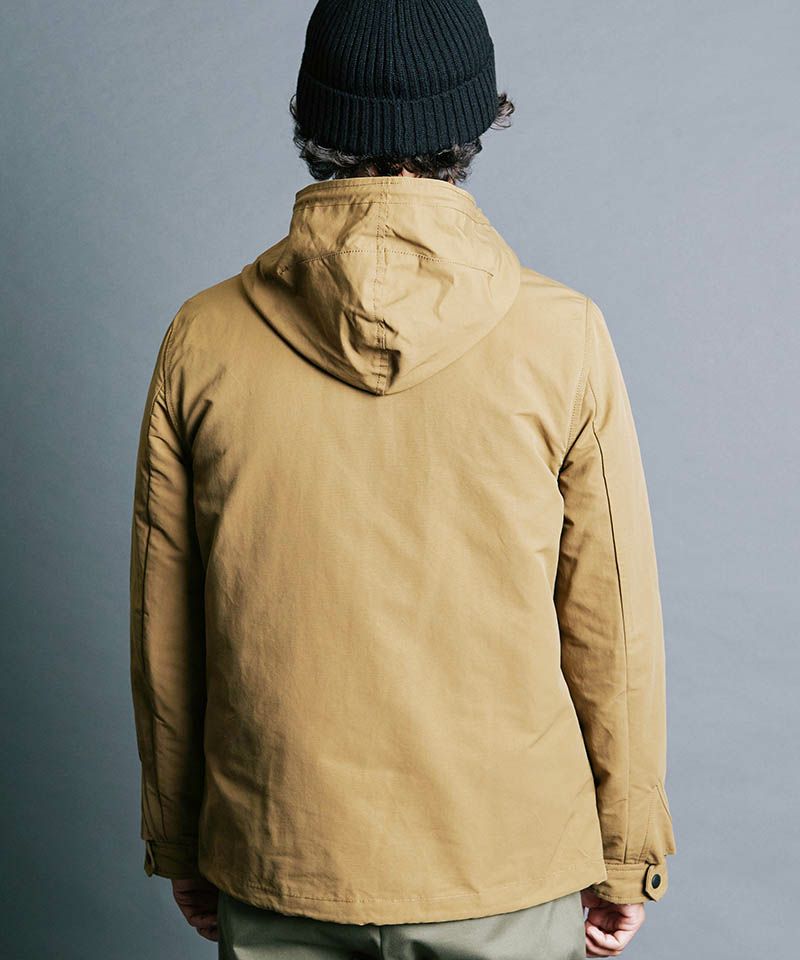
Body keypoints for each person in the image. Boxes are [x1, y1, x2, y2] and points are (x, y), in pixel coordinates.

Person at [129, 1, 677, 957]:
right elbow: (612, 626)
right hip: (506, 869)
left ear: (310, 121)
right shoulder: (563, 339)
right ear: (477, 122)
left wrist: (183, 839)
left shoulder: (203, 338)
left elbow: (165, 628)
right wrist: (628, 855)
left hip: (280, 855)